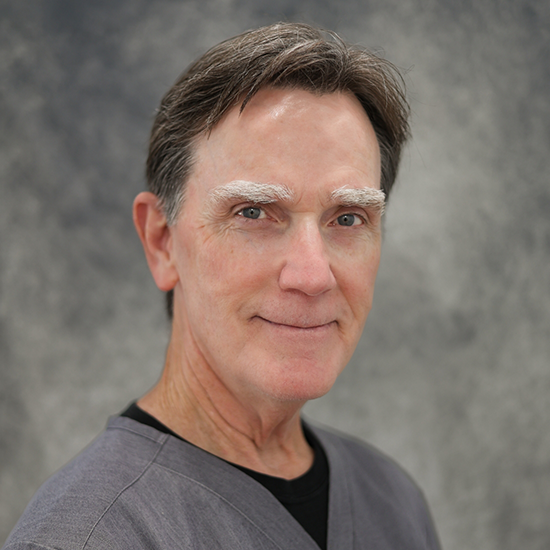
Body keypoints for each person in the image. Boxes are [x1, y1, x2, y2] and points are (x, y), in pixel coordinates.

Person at [3, 22, 440, 550]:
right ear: (162, 242)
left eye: (348, 218)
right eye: (253, 212)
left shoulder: (392, 501)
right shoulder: (89, 535)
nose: (312, 276)